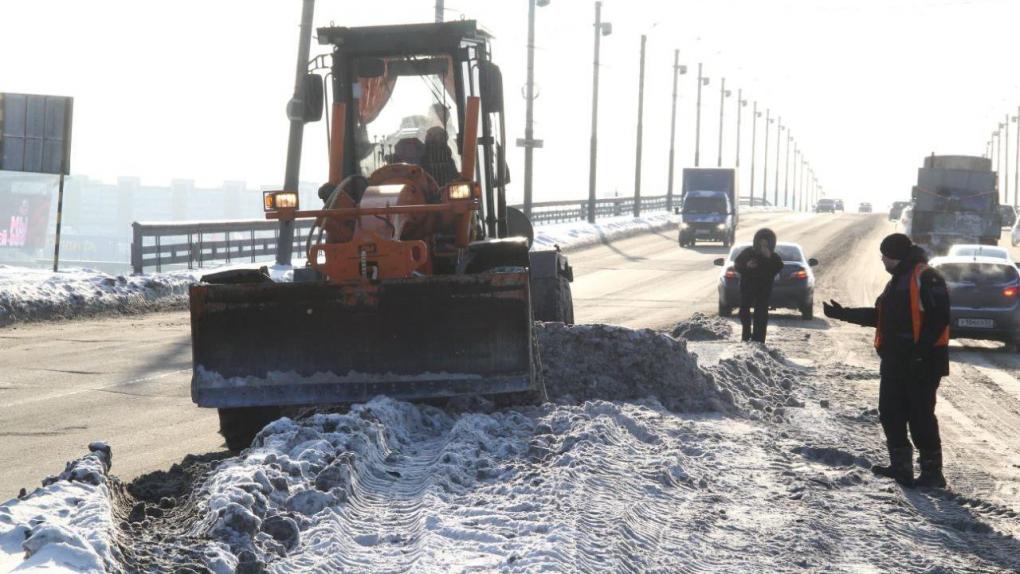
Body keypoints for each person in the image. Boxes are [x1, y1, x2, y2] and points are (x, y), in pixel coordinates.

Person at [823, 233, 950, 488]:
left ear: (896, 255)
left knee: (920, 417)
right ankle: (900, 468)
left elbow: (939, 319)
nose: (882, 259)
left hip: (922, 363)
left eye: (885, 254)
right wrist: (843, 314)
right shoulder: (897, 281)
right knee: (890, 414)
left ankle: (932, 474)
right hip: (895, 362)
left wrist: (920, 353)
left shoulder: (926, 277)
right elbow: (881, 318)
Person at [734, 228, 784, 343]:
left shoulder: (774, 257)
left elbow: (778, 267)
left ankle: (759, 339)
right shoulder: (748, 252)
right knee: (744, 312)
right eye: (761, 244)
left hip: (763, 289)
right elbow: (737, 265)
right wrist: (747, 266)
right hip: (747, 287)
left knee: (761, 314)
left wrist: (768, 258)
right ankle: (746, 335)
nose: (763, 247)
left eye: (766, 245)